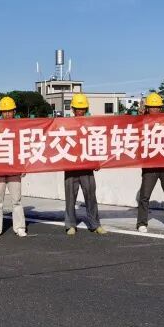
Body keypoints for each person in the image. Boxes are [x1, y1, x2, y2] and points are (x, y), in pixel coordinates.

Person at [135, 91, 164, 233]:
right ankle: (141, 223)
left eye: (157, 107)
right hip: (149, 164)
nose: (154, 109)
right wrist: (140, 115)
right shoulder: (142, 121)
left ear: (161, 108)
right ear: (147, 108)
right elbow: (134, 127)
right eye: (152, 107)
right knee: (144, 196)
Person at [64, 93, 106, 236]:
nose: (80, 111)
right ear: (73, 109)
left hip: (87, 166)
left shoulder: (91, 124)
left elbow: (95, 143)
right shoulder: (66, 125)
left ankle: (95, 224)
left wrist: (97, 161)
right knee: (70, 197)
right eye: (77, 108)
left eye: (82, 108)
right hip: (70, 166)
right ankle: (70, 225)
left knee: (91, 196)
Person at [0, 96, 26, 238]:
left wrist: (23, 166)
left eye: (9, 111)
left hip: (14, 168)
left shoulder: (19, 127)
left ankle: (20, 227)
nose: (7, 114)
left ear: (14, 111)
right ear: (0, 112)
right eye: (4, 111)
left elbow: (23, 146)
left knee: (16, 200)